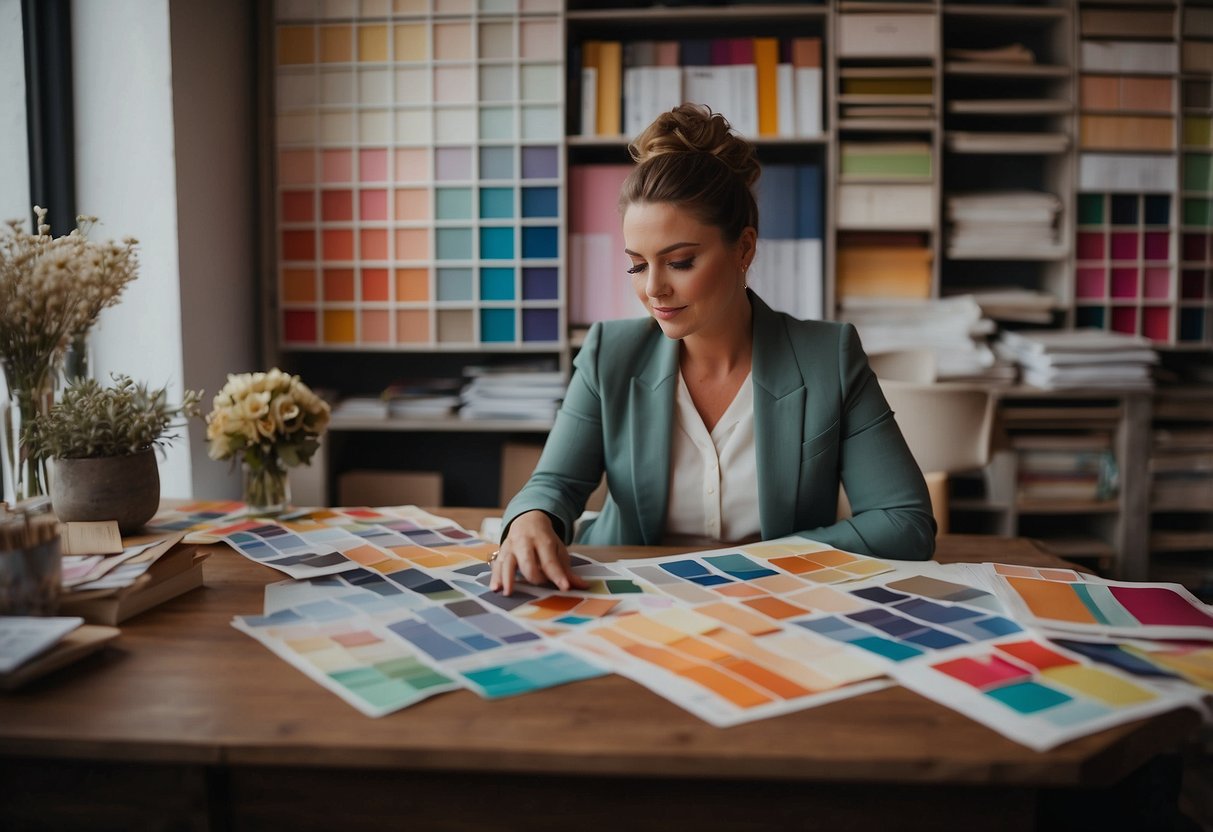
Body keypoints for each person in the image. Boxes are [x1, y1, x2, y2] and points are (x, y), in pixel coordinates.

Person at [490, 104, 935, 595]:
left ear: (744, 249)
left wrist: (744, 566)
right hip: (629, 598)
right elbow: (554, 484)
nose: (653, 288)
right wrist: (530, 518)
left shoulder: (827, 356)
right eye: (637, 265)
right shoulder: (608, 353)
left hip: (772, 601)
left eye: (679, 262)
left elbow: (904, 523)